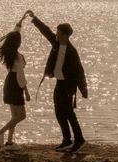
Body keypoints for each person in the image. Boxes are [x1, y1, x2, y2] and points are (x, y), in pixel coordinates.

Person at [26, 10, 88, 153]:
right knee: (58, 112)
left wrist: (83, 90)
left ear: (66, 36)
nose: (56, 35)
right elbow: (45, 31)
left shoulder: (72, 52)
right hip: (59, 83)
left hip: (68, 86)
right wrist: (34, 18)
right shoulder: (56, 43)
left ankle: (79, 140)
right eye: (57, 33)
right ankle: (67, 140)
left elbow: (79, 71)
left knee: (69, 113)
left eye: (59, 33)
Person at [0, 13, 31, 150]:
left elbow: (15, 32)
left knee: (14, 116)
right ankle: (0, 132)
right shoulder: (18, 57)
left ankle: (9, 142)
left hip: (9, 82)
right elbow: (21, 76)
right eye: (20, 40)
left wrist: (21, 20)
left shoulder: (9, 52)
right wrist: (26, 92)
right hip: (15, 83)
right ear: (18, 43)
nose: (21, 40)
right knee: (21, 115)